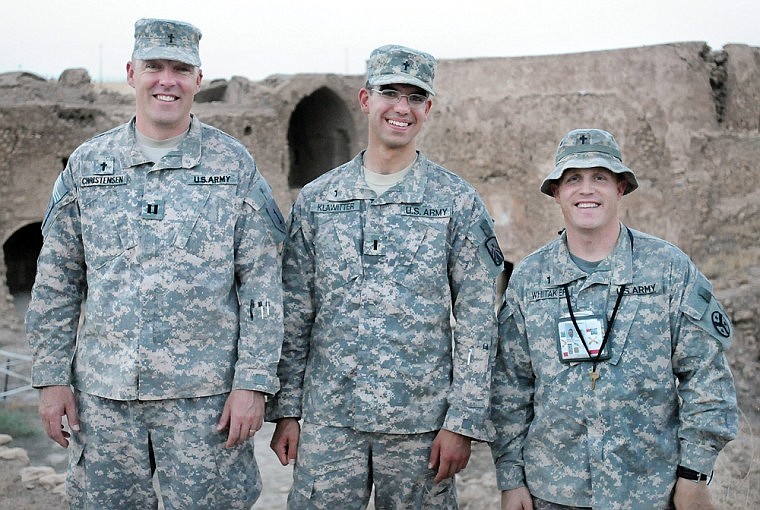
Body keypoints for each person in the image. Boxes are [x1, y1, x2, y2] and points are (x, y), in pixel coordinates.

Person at [25, 18, 285, 509]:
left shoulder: (233, 166)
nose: (167, 80)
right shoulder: (88, 165)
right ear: (131, 72)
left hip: (206, 406)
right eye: (154, 67)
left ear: (198, 80)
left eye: (181, 69)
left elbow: (262, 287)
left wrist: (253, 383)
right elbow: (58, 281)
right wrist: (51, 377)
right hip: (103, 405)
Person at [266, 44, 504, 509]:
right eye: (390, 93)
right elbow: (295, 314)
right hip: (330, 423)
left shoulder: (456, 202)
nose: (402, 107)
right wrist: (288, 411)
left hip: (420, 428)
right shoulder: (318, 201)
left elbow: (479, 322)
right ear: (365, 99)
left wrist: (462, 421)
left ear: (428, 108)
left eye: (415, 97)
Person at [490, 128, 738, 510]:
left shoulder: (667, 269)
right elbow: (510, 388)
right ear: (556, 192)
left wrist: (694, 473)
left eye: (600, 177)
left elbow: (705, 374)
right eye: (574, 179)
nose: (586, 190)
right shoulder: (529, 279)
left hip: (650, 491)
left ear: (620, 188)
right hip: (554, 493)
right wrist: (511, 479)